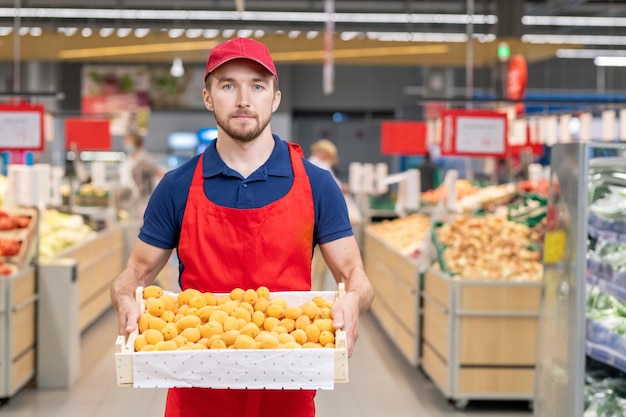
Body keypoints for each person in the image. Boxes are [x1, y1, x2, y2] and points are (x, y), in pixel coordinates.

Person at [110, 37, 374, 417]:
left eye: (257, 86)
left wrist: (353, 301)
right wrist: (124, 297)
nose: (243, 99)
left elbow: (355, 276)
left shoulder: (316, 184)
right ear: (207, 97)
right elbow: (134, 272)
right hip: (197, 386)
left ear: (275, 98)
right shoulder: (178, 186)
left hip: (286, 383)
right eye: (228, 85)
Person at [117, 132, 164, 221]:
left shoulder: (144, 159)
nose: (125, 144)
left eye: (128, 142)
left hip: (143, 201)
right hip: (130, 199)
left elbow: (160, 173)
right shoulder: (129, 159)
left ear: (136, 143)